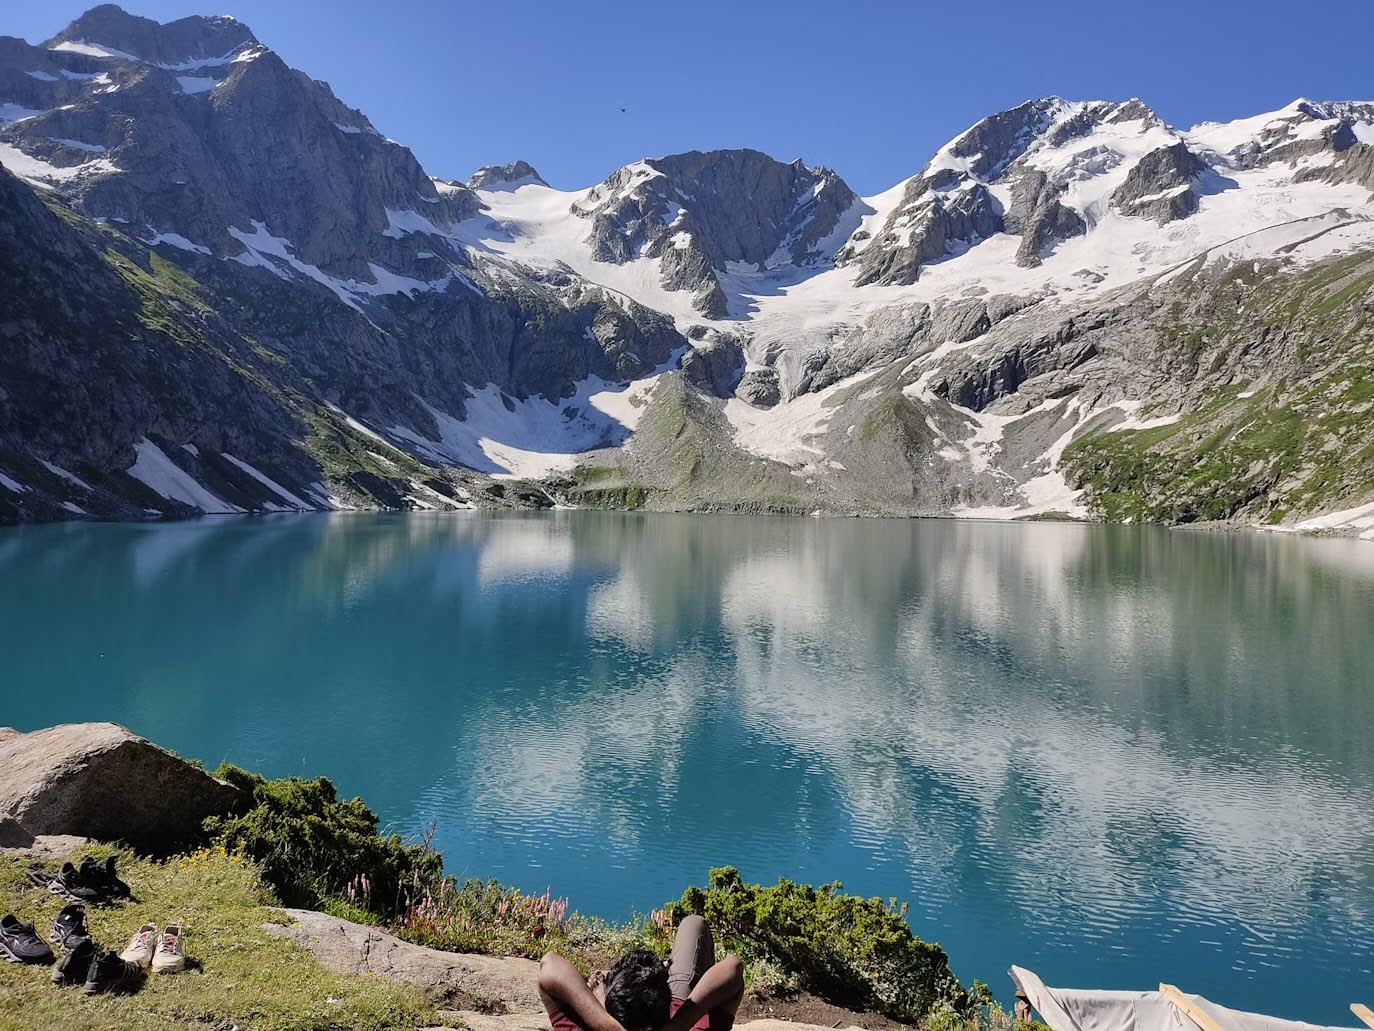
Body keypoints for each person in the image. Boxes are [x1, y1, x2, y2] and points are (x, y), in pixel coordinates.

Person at [538, 916, 744, 1031]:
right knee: (693, 923)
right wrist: (679, 1024)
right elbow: (733, 967)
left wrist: (603, 1019)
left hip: (658, 1011)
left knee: (692, 925)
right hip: (675, 1008)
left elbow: (550, 963)